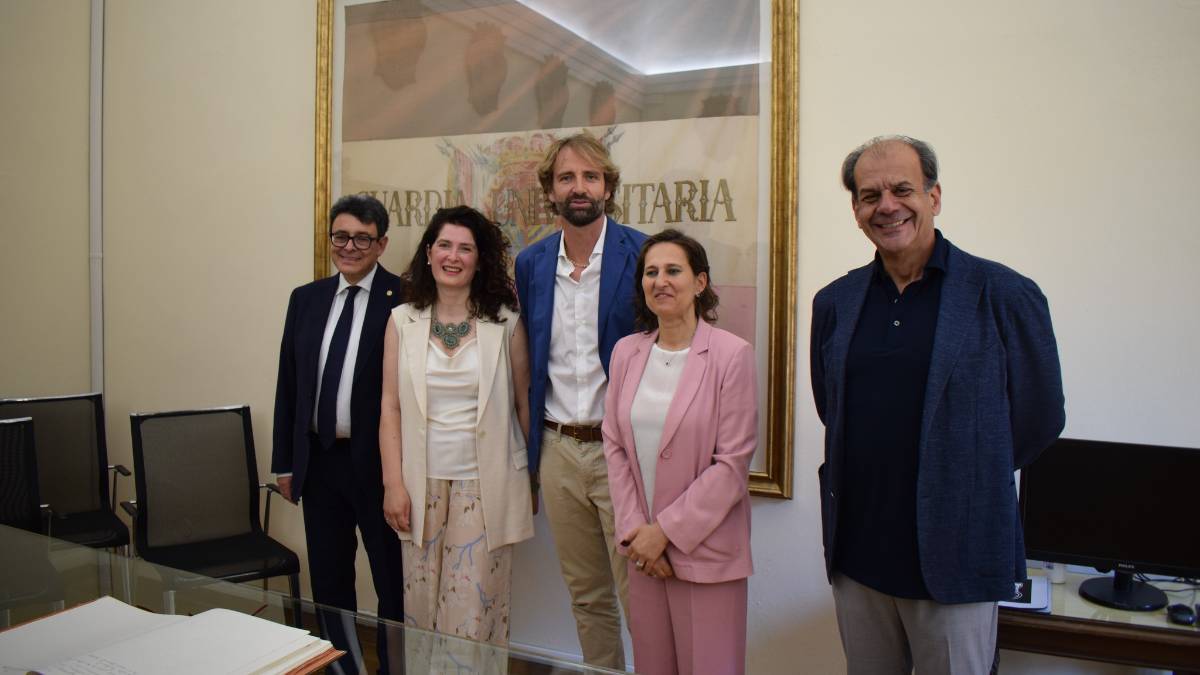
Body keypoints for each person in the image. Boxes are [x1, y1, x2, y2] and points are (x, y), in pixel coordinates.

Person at [810, 136, 1065, 674]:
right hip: (858, 559)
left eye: (902, 189)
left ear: (934, 196)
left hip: (958, 558)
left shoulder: (1003, 294)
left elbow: (1040, 418)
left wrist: (967, 471)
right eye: (868, 194)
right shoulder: (835, 302)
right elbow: (833, 409)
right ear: (855, 210)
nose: (886, 205)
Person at [514, 132, 647, 669]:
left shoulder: (642, 253)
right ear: (550, 189)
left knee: (642, 597)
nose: (579, 187)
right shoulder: (531, 262)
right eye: (567, 177)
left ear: (608, 187)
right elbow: (529, 365)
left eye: (591, 176)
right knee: (588, 597)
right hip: (557, 449)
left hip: (623, 451)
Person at [379, 205, 534, 653]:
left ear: (480, 260)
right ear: (428, 254)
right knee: (422, 608)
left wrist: (532, 480)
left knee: (471, 613)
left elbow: (523, 404)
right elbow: (389, 408)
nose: (453, 256)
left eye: (465, 248)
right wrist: (393, 483)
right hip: (418, 483)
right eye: (444, 245)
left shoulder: (505, 324)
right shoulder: (401, 321)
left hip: (485, 486)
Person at [602, 229, 757, 675]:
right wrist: (636, 532)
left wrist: (664, 532)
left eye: (673, 270)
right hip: (644, 555)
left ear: (700, 283)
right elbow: (614, 446)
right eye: (651, 272)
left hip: (705, 554)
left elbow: (732, 465)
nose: (660, 281)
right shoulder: (626, 353)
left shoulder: (731, 355)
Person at [272, 193, 406, 673]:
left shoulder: (405, 300)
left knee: (392, 582)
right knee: (328, 583)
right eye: (341, 236)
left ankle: (393, 668)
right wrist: (285, 462)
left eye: (362, 238)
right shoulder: (305, 300)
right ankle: (341, 668)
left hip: (380, 467)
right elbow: (289, 385)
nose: (350, 246)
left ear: (382, 243)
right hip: (320, 461)